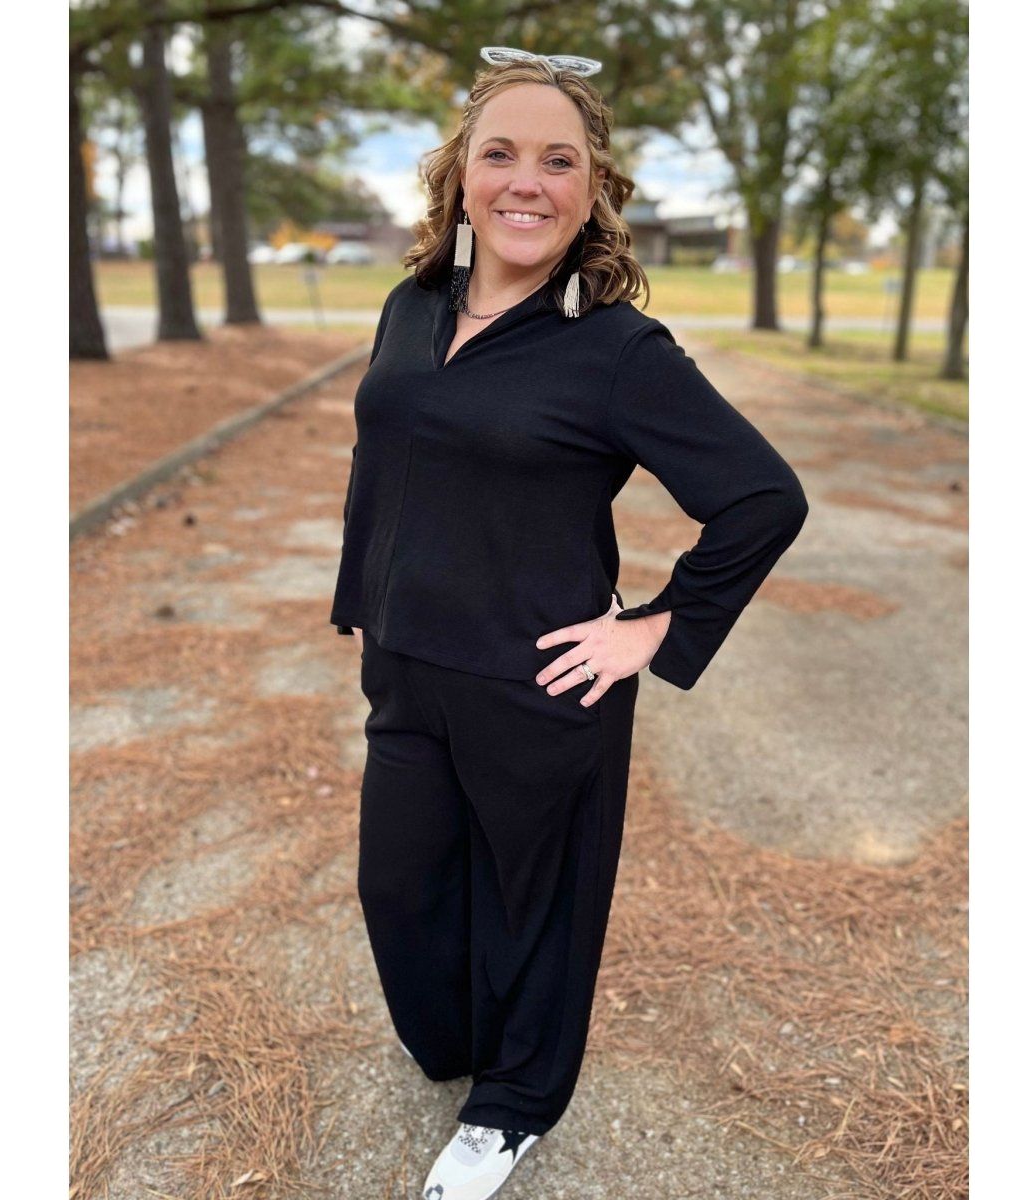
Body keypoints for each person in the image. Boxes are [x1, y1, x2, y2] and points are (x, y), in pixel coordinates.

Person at [329, 45, 809, 1200]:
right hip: (408, 672)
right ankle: (464, 1054)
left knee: (534, 912)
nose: (526, 182)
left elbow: (762, 497)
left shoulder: (615, 350)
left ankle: (514, 1105)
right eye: (501, 154)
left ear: (592, 190)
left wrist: (652, 628)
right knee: (401, 891)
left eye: (558, 161)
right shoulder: (412, 306)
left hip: (540, 689)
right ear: (460, 176)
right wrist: (368, 600)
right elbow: (389, 459)